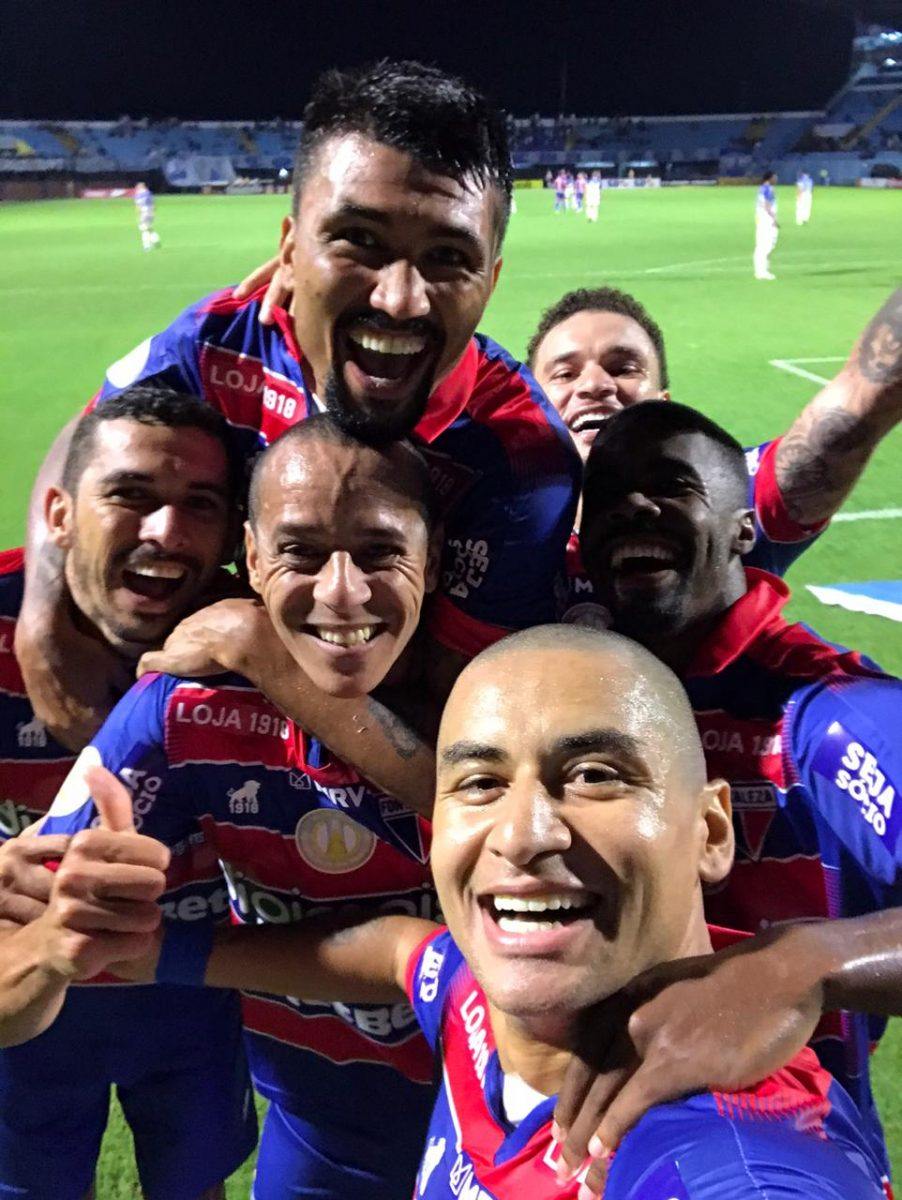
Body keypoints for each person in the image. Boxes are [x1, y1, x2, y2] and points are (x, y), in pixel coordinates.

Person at [19, 626, 892, 1200]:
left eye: (593, 774)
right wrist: (155, 950)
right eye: (479, 783)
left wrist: (811, 958)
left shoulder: (731, 1159)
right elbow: (400, 951)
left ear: (709, 831)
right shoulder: (493, 1001)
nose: (523, 833)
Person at [14, 60, 579, 816]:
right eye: (358, 241)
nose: (400, 299)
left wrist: (259, 648)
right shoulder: (222, 343)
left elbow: (472, 769)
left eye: (447, 257)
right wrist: (43, 614)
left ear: (492, 279)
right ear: (289, 249)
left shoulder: (519, 464)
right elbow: (90, 437)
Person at [4, 418, 445, 1200]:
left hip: (506, 1133)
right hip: (320, 1146)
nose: (342, 592)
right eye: (301, 552)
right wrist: (53, 946)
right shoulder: (176, 711)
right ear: (250, 553)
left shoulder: (510, 688)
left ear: (433, 558)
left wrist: (262, 648)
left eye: (379, 551)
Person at [572, 400, 902, 1182]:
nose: (636, 506)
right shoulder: (571, 682)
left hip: (783, 1144)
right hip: (569, 1134)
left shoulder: (825, 712)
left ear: (746, 531)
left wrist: (808, 961)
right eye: (610, 493)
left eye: (673, 485)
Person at [0, 385, 255, 1200]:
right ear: (61, 514)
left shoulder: (258, 642)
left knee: (196, 1184)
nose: (166, 532)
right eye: (130, 495)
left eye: (200, 505)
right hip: (22, 989)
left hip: (189, 987)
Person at [525, 285, 902, 621]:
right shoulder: (493, 517)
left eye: (623, 368)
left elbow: (860, 404)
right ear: (531, 406)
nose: (594, 384)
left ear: (663, 403)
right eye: (565, 374)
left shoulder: (725, 498)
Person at [754, 170, 779, 280]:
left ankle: (762, 270)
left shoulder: (761, 189)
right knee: (766, 245)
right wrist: (774, 219)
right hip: (766, 219)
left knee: (762, 245)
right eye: (775, 177)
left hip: (761, 218)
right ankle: (762, 272)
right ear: (770, 178)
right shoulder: (768, 189)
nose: (776, 179)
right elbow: (767, 205)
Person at [133, 181, 160, 251]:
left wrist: (139, 215)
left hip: (143, 213)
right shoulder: (148, 193)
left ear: (140, 187)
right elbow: (153, 204)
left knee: (144, 230)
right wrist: (153, 213)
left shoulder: (138, 195)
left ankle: (147, 246)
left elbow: (138, 206)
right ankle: (156, 239)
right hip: (150, 213)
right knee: (149, 228)